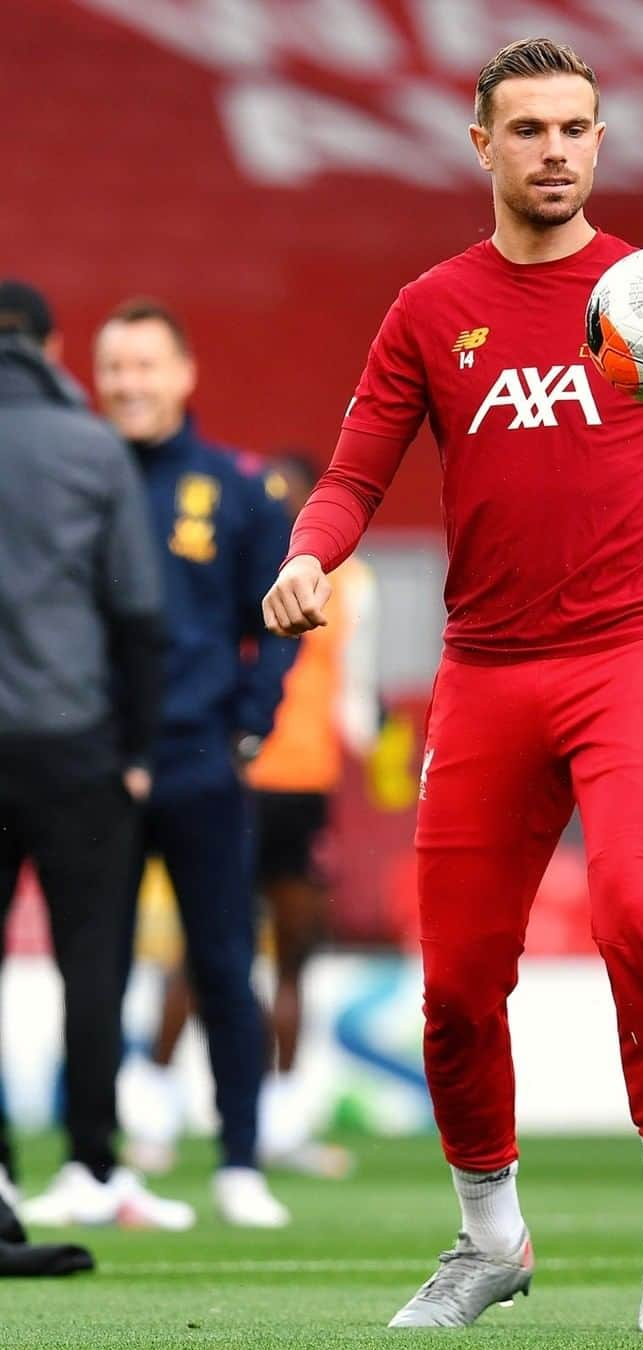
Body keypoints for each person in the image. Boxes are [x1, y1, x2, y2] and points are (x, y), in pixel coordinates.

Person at [263, 36, 643, 1335]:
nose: (555, 149)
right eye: (529, 128)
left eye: (576, 127)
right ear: (478, 141)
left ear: (600, 142)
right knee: (456, 979)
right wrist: (309, 557)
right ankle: (489, 1236)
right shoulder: (432, 307)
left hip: (635, 657)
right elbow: (353, 472)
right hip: (485, 675)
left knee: (640, 917)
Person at [93, 299, 297, 1228]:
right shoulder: (79, 480)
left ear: (184, 374)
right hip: (93, 766)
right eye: (115, 369)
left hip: (199, 762)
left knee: (221, 963)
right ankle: (90, 1166)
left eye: (145, 366)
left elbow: (281, 622)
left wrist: (249, 724)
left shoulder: (237, 488)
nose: (129, 384)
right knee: (89, 967)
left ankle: (240, 1162)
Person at [123, 454, 379, 1177]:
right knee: (283, 958)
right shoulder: (350, 582)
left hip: (236, 771)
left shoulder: (224, 562)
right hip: (291, 785)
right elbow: (358, 710)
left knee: (206, 953)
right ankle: (277, 1125)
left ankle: (154, 1121)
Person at [0, 280, 192, 1230]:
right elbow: (139, 616)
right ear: (56, 346)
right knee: (92, 959)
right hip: (75, 745)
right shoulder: (91, 448)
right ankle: (88, 1163)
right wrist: (138, 748)